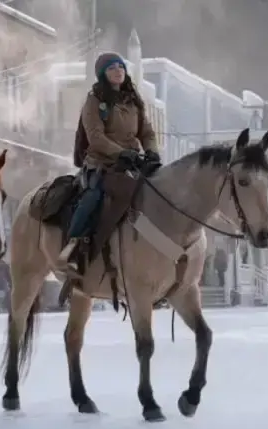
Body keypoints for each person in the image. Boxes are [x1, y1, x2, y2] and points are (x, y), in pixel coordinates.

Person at [58, 52, 161, 277]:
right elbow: (95, 136)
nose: (118, 71)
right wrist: (120, 152)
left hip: (133, 163)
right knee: (93, 196)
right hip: (101, 163)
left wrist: (152, 151)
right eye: (112, 67)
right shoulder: (94, 100)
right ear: (103, 74)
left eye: (121, 67)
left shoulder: (134, 100)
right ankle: (72, 247)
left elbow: (147, 131)